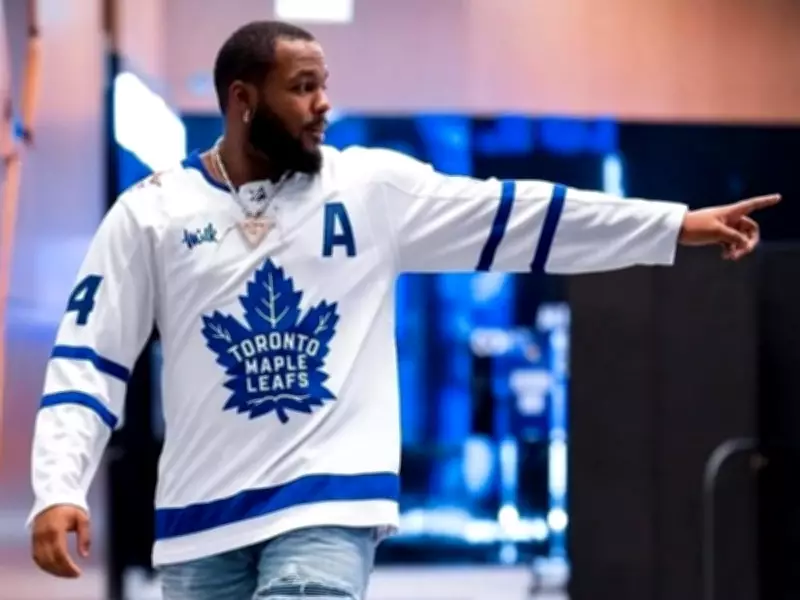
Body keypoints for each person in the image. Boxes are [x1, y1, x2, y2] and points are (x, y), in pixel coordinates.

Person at [28, 19, 779, 600]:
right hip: (199, 520)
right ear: (243, 101)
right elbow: (88, 357)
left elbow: (518, 214)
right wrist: (58, 486)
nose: (324, 104)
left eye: (325, 85)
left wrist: (670, 225)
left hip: (328, 506)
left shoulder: (371, 189)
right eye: (303, 87)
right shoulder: (151, 213)